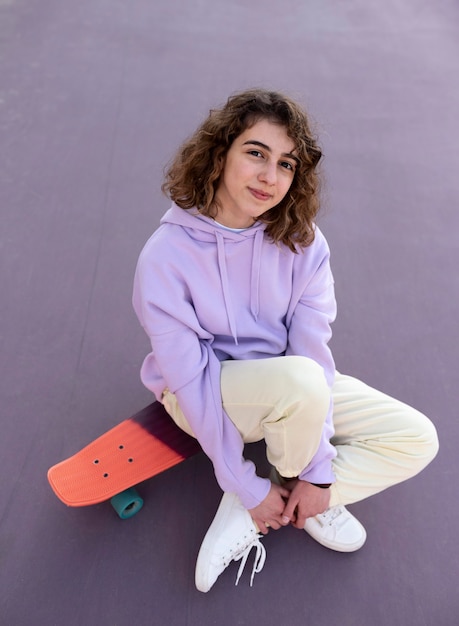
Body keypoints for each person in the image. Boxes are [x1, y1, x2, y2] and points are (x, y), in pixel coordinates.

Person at [132, 88, 439, 593]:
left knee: (416, 437)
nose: (270, 177)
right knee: (298, 383)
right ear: (219, 153)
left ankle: (295, 500)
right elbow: (192, 378)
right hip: (205, 396)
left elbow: (312, 352)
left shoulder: (303, 241)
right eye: (256, 153)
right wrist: (242, 481)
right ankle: (270, 495)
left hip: (296, 388)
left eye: (287, 164)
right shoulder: (165, 258)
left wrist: (319, 476)